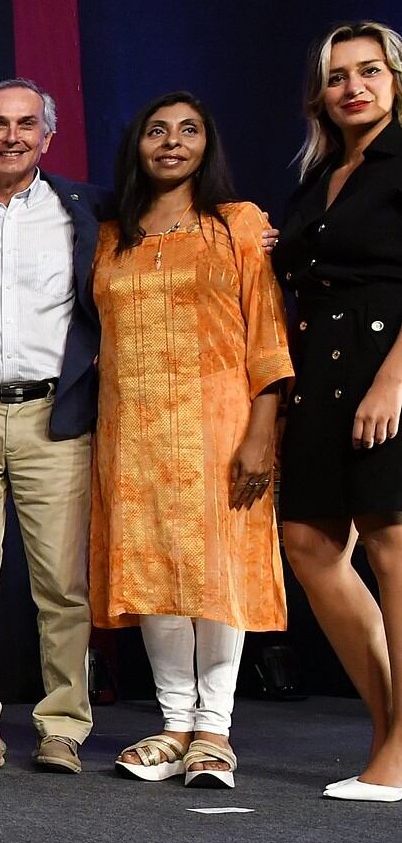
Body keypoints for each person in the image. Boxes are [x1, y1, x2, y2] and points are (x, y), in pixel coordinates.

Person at [91, 92, 290, 790]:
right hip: (131, 431)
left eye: (187, 130)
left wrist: (261, 429)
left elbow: (266, 329)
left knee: (214, 570)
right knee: (152, 572)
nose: (170, 142)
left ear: (208, 144)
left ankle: (215, 727)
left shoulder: (236, 224)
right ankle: (174, 721)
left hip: (218, 425)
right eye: (155, 130)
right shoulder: (111, 233)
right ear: (135, 144)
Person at [0, 79, 106, 774]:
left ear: (45, 137)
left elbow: (175, 212)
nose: (11, 136)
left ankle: (62, 724)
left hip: (54, 417)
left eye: (24, 125)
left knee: (62, 585)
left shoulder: (86, 208)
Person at [274, 21, 402, 802]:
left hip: (384, 361)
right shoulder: (323, 173)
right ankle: (389, 727)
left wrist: (392, 382)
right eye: (335, 75)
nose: (352, 85)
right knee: (309, 544)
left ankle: (397, 751)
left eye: (369, 70)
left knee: (390, 547)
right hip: (318, 372)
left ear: (395, 78)